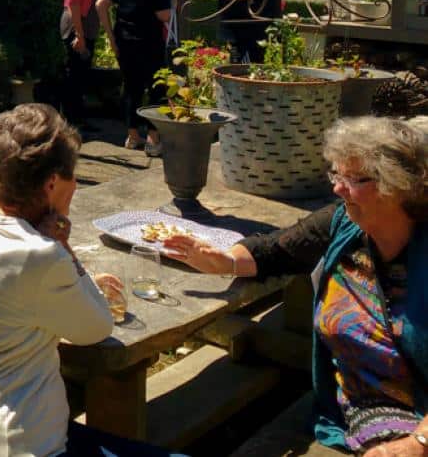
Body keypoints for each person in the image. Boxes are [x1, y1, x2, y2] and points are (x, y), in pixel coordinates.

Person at [163, 116, 428, 457]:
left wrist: (416, 444)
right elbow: (277, 250)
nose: (337, 188)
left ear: (399, 185)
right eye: (337, 174)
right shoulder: (343, 222)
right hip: (363, 416)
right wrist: (223, 261)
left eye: (353, 179)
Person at [0, 103, 172, 457]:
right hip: (17, 444)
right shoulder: (39, 255)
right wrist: (64, 247)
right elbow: (97, 327)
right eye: (72, 174)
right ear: (51, 183)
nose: (75, 183)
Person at [97, 0, 173, 155]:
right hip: (150, 44)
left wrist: (111, 36)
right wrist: (172, 3)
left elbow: (100, 4)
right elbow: (164, 15)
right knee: (157, 89)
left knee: (132, 89)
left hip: (125, 42)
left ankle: (132, 136)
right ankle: (152, 137)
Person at [61, 0, 114, 127]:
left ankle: (78, 120)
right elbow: (73, 1)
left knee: (80, 75)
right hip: (78, 26)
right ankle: (71, 122)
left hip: (85, 25)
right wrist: (79, 34)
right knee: (74, 75)